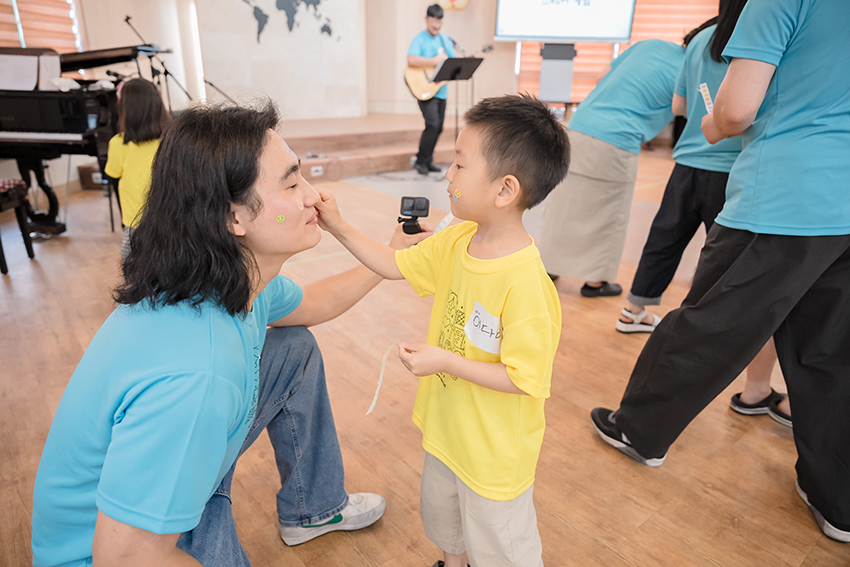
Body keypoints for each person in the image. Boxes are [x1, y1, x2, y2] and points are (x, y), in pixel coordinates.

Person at [31, 102, 429, 567]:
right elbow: (123, 558)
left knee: (292, 348)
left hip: (143, 502)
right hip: (113, 553)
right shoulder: (198, 375)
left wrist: (390, 258)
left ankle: (313, 510)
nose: (313, 196)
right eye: (292, 182)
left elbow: (314, 304)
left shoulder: (225, 280)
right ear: (233, 218)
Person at [591, 0, 850, 543]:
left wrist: (709, 125)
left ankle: (638, 429)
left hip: (781, 194)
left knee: (704, 324)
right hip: (843, 206)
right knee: (827, 351)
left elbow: (734, 112)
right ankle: (837, 499)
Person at [315, 94, 570, 567]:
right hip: (447, 431)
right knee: (448, 521)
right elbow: (394, 264)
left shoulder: (527, 287)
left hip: (493, 455)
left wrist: (445, 361)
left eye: (458, 164)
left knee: (501, 546)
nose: (447, 175)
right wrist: (338, 226)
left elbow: (523, 378)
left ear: (504, 189)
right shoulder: (457, 238)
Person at [608, 3, 792, 422]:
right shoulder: (764, 36)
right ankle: (735, 370)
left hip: (687, 161)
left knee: (664, 240)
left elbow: (679, 106)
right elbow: (747, 110)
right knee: (723, 270)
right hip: (730, 167)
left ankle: (633, 309)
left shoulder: (697, 43)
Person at [538, 39, 684, 297]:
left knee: (564, 203)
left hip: (580, 126)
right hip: (618, 139)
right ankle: (596, 282)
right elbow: (681, 108)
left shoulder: (651, 46)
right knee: (610, 211)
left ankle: (549, 267)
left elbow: (601, 76)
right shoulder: (692, 68)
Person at [104, 78, 170, 257]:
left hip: (135, 222)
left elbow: (113, 173)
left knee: (131, 264)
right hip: (170, 218)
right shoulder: (170, 140)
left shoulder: (118, 144)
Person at [408, 3, 456, 176]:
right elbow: (411, 60)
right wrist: (434, 61)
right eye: (433, 21)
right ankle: (421, 160)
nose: (436, 25)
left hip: (441, 91)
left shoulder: (444, 39)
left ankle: (427, 161)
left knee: (438, 127)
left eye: (439, 22)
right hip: (425, 89)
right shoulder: (419, 39)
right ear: (426, 20)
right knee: (432, 124)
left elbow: (453, 62)